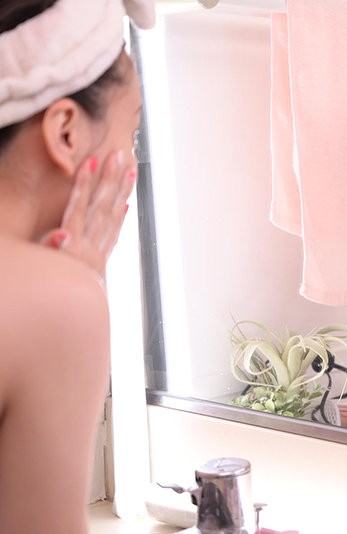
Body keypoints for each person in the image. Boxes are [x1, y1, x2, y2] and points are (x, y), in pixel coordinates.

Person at [0, 0, 154, 531]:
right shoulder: (57, 301)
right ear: (66, 131)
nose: (133, 162)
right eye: (132, 134)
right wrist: (73, 286)